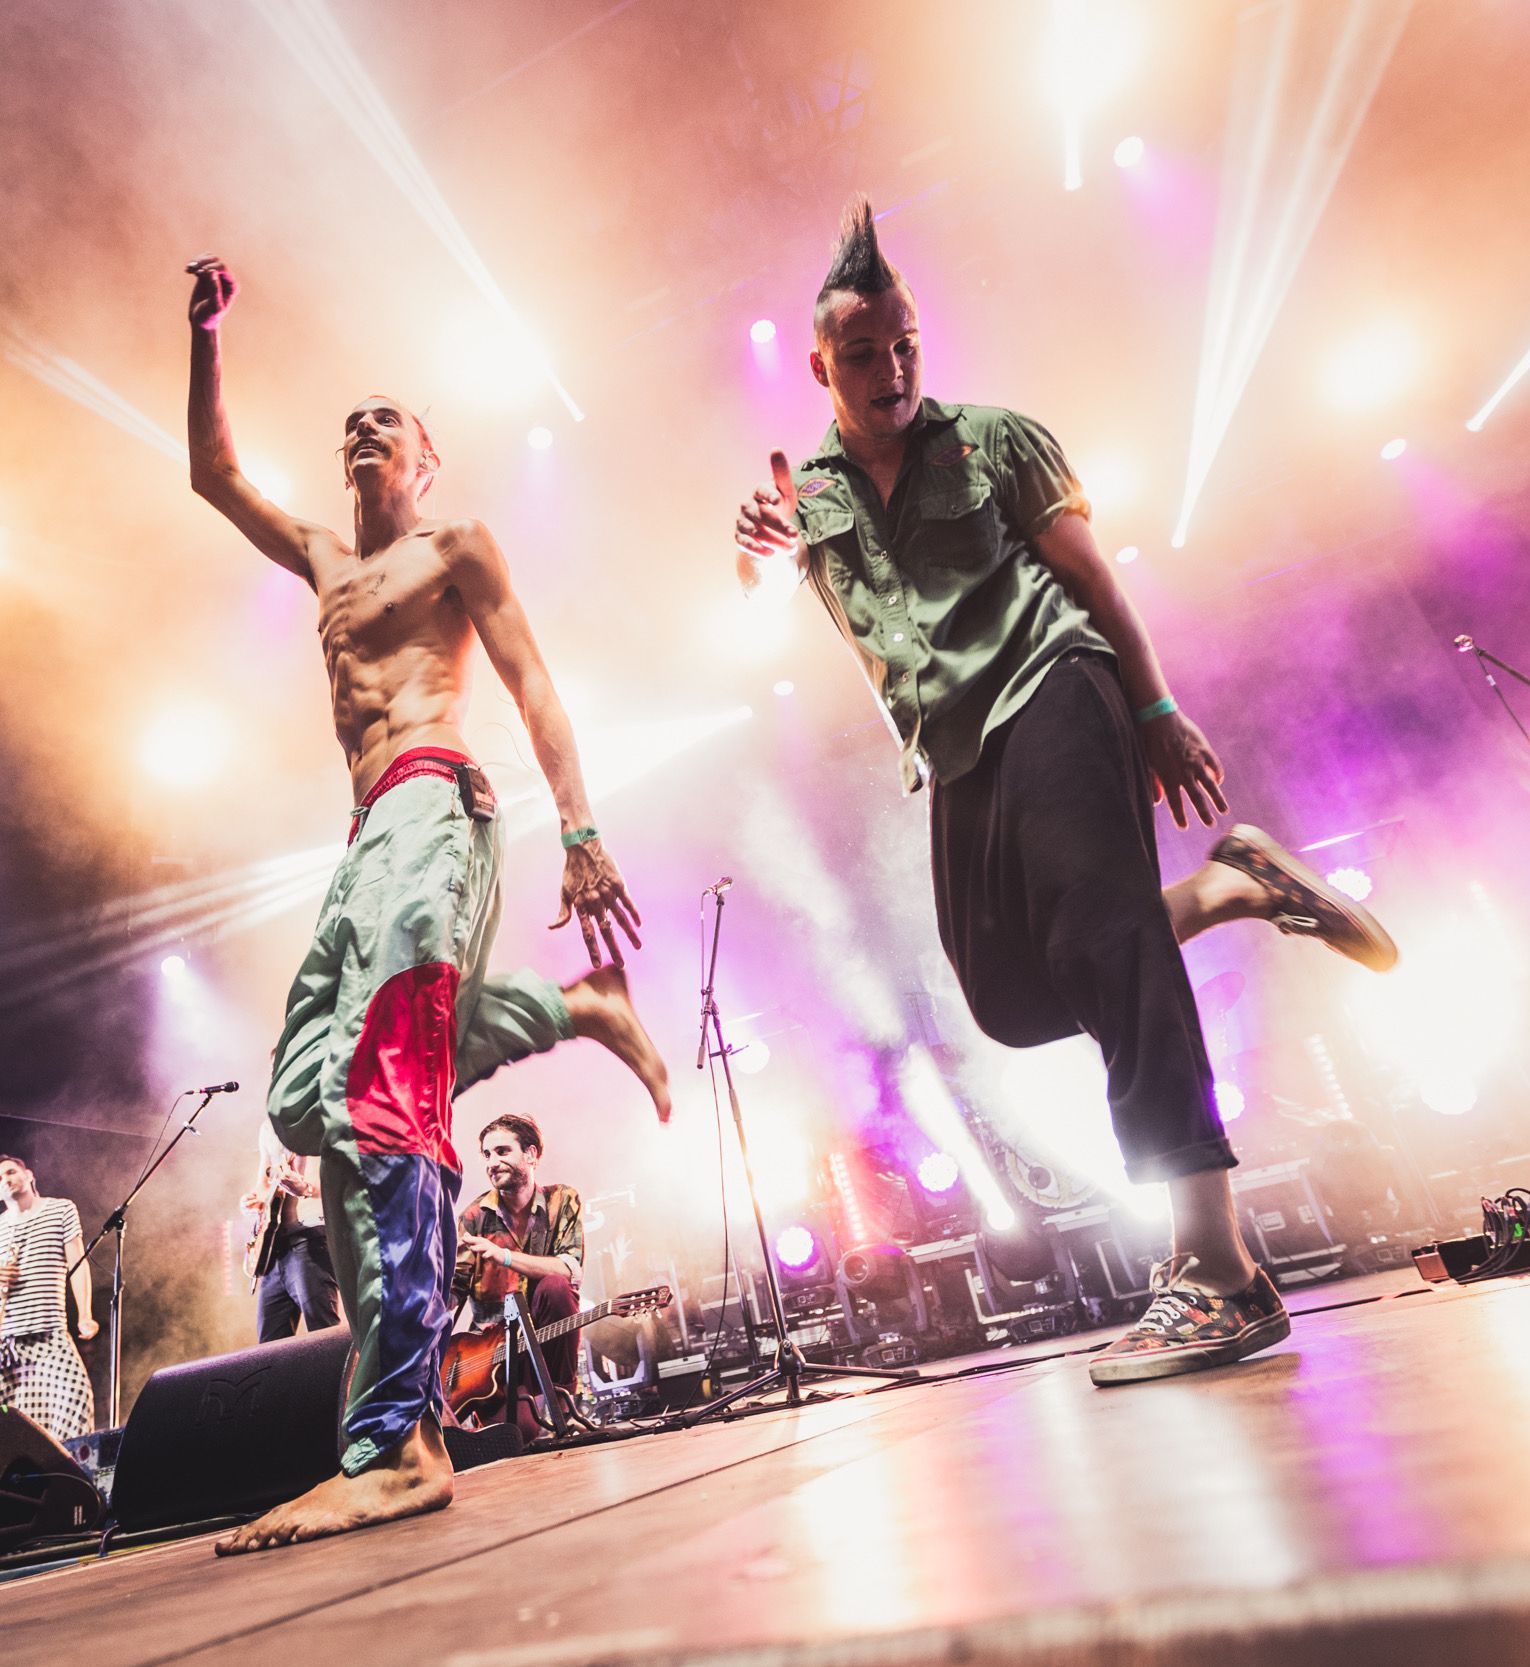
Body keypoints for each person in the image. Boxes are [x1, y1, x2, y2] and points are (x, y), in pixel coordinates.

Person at [732, 201, 1398, 1388]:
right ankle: (1231, 885)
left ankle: (1213, 1268)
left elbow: (1090, 574)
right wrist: (751, 559)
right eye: (866, 353)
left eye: (907, 345)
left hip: (1055, 683)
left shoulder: (992, 441)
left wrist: (1152, 710)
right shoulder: (807, 493)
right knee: (1011, 1001)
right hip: (954, 749)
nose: (892, 369)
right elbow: (755, 608)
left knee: (1108, 947)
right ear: (819, 364)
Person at [185, 255, 672, 1552]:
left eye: (386, 421)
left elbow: (536, 683)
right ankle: (571, 1005)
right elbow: (213, 476)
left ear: (428, 458)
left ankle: (393, 1443)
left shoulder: (457, 548)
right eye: (351, 421)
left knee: (389, 1102)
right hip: (360, 840)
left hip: (438, 799)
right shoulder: (325, 560)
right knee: (310, 1096)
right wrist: (208, 340)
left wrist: (580, 830)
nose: (362, 430)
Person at [452, 1114, 584, 1434]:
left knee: (555, 1287)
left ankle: (561, 1399)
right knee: (521, 1434)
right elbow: (454, 1290)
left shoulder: (562, 1199)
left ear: (531, 1154)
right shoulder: (473, 1216)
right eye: (487, 1155)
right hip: (494, 1358)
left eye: (502, 1151)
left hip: (544, 1340)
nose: (492, 1162)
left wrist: (505, 1257)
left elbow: (569, 1268)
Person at [0, 1155, 99, 1442]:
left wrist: (85, 1314)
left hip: (46, 1327)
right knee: (8, 1423)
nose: (7, 1180)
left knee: (74, 1400)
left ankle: (71, 1472)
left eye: (11, 1172)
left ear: (28, 1175)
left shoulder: (61, 1209)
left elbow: (77, 1264)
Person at [242, 1130, 338, 1342]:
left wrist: (305, 1188)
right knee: (269, 1345)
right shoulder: (268, 1126)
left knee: (323, 1334)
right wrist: (255, 1200)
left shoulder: (322, 1118)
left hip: (310, 1236)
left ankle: (335, 1376)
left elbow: (344, 1183)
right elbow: (264, 1183)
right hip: (273, 1245)